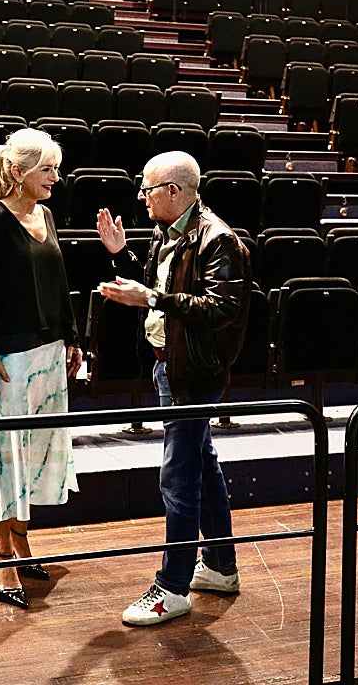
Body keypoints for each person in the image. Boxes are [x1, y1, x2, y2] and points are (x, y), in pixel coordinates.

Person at [96, 150, 252, 627]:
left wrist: (154, 298)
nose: (141, 196)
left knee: (178, 477)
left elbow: (216, 308)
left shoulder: (219, 240)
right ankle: (221, 568)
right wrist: (122, 255)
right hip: (172, 364)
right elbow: (157, 287)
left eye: (147, 188)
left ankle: (173, 586)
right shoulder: (170, 230)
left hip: (194, 373)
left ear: (173, 191)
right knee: (201, 464)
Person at [0, 128, 83, 610]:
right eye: (47, 169)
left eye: (55, 168)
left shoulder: (46, 215)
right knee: (7, 457)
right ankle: (0, 551)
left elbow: (59, 284)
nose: (56, 177)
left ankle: (22, 539)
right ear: (18, 171)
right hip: (11, 356)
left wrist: (73, 339)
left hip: (50, 351)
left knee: (36, 455)